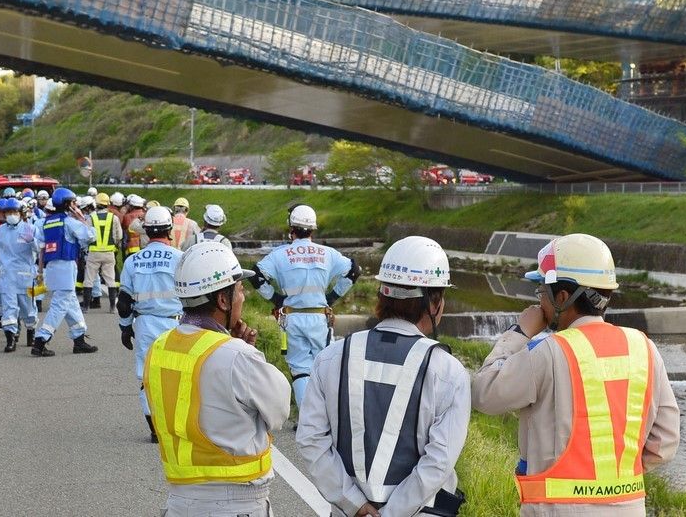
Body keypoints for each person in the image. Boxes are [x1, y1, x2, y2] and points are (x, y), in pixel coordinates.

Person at [471, 234, 680, 516]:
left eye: (541, 292)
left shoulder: (548, 352)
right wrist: (609, 483)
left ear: (562, 297)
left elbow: (483, 393)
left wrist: (519, 333)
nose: (539, 301)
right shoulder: (644, 348)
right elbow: (665, 441)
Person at [298, 236, 469, 517]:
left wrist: (355, 503)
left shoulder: (331, 357)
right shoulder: (447, 371)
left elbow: (311, 440)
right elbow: (438, 462)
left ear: (382, 295)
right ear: (434, 301)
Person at [143, 241, 289, 517]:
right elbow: (279, 413)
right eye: (239, 289)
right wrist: (244, 349)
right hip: (235, 502)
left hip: (179, 501)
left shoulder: (159, 347)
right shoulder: (238, 355)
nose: (243, 296)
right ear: (223, 300)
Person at [248, 204, 361, 409]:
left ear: (291, 228)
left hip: (292, 318)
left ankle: (306, 419)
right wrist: (331, 297)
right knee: (325, 367)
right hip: (320, 318)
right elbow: (354, 271)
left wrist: (276, 299)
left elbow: (256, 276)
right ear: (313, 229)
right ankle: (328, 416)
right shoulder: (328, 253)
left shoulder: (280, 254)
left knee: (300, 370)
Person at [116, 205, 183, 442]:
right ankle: (177, 425)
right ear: (169, 229)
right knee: (177, 375)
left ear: (146, 231)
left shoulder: (133, 261)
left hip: (144, 324)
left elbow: (124, 302)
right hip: (176, 325)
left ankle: (155, 429)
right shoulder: (180, 258)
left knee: (147, 378)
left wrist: (125, 328)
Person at [31, 187, 99, 357]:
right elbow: (91, 236)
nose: (75, 205)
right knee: (59, 306)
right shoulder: (69, 222)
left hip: (52, 267)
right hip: (66, 267)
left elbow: (40, 247)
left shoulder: (47, 222)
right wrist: (82, 218)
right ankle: (40, 341)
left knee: (71, 304)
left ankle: (79, 339)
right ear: (68, 204)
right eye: (73, 202)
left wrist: (40, 271)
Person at [0, 197, 41, 353]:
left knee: (28, 308)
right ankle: (10, 339)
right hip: (7, 275)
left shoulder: (30, 228)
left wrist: (32, 240)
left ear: (20, 213)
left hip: (25, 275)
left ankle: (31, 332)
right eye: (8, 212)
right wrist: (5, 266)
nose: (11, 215)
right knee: (9, 308)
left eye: (14, 212)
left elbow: (39, 249)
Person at [84, 192, 123, 313]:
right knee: (110, 280)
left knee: (89, 279)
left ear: (96, 204)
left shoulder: (91, 217)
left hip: (94, 253)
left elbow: (87, 236)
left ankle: (85, 307)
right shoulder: (114, 218)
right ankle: (112, 307)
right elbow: (119, 236)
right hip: (109, 253)